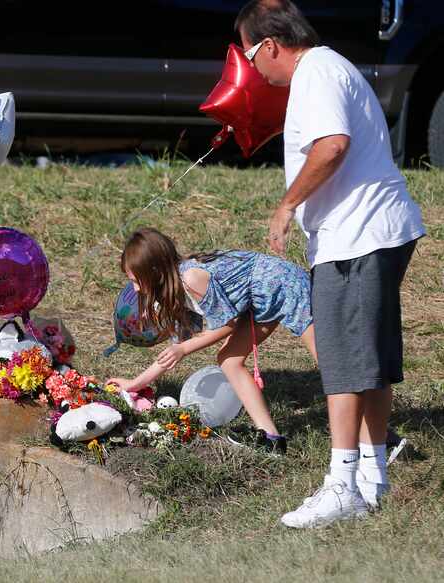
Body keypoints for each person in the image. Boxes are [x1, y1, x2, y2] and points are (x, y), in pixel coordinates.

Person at [235, 0, 426, 528]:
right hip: (374, 231)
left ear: (270, 45)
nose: (252, 69)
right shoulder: (331, 67)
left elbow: (332, 145)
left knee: (344, 362)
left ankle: (341, 485)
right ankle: (372, 479)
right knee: (369, 359)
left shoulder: (316, 72)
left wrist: (287, 204)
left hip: (355, 236)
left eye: (250, 56)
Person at [107, 228, 317, 454]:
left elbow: (228, 323)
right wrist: (135, 384)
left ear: (155, 270)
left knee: (332, 365)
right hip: (259, 299)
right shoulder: (174, 291)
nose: (136, 288)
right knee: (229, 359)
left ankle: (356, 440)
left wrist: (184, 348)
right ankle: (271, 438)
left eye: (137, 281)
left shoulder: (190, 278)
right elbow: (171, 354)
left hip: (285, 284)